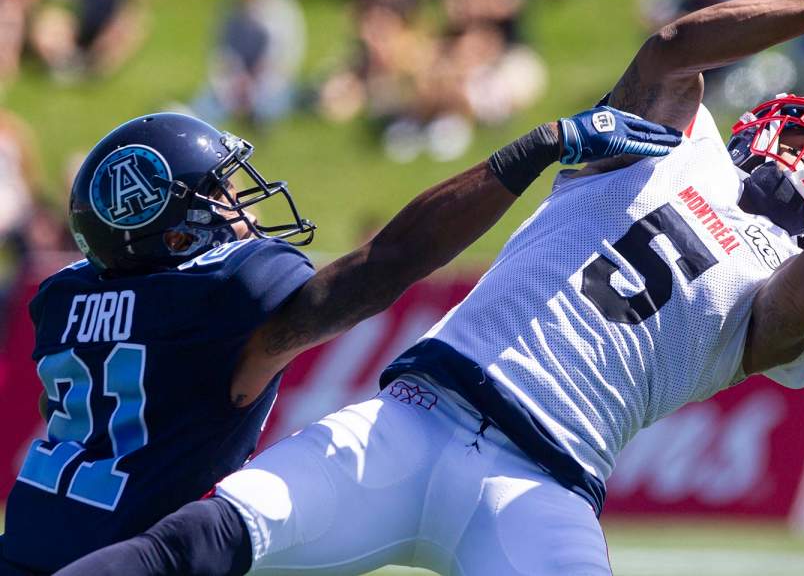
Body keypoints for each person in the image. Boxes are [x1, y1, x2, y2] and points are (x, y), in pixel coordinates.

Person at [58, 0, 804, 576]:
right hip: (418, 415)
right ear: (763, 122)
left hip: (544, 485)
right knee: (204, 539)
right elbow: (674, 45)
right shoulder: (673, 142)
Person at [0, 104, 681, 574]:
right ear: (176, 233)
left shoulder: (66, 296)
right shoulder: (224, 297)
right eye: (220, 197)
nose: (241, 209)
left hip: (28, 544)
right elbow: (387, 264)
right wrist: (534, 150)